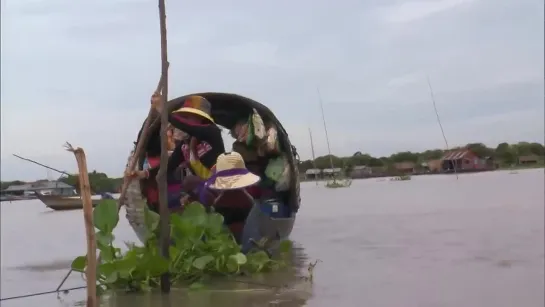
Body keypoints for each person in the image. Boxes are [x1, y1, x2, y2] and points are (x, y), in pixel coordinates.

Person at [127, 94, 225, 209]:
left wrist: (163, 110)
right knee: (172, 201)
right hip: (203, 189)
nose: (185, 120)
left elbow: (189, 127)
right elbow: (168, 166)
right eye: (184, 116)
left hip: (222, 186)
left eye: (190, 116)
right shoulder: (185, 146)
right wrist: (143, 173)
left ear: (201, 119)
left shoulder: (212, 132)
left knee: (189, 182)